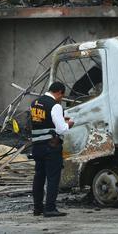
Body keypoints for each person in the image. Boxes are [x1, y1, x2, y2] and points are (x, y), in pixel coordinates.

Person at [31, 82, 74, 217]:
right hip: (51, 146)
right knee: (53, 178)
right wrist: (68, 124)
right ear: (59, 92)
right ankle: (50, 208)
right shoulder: (55, 105)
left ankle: (38, 208)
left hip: (37, 146)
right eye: (62, 95)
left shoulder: (35, 103)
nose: (61, 98)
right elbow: (61, 129)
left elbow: (42, 121)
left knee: (39, 177)